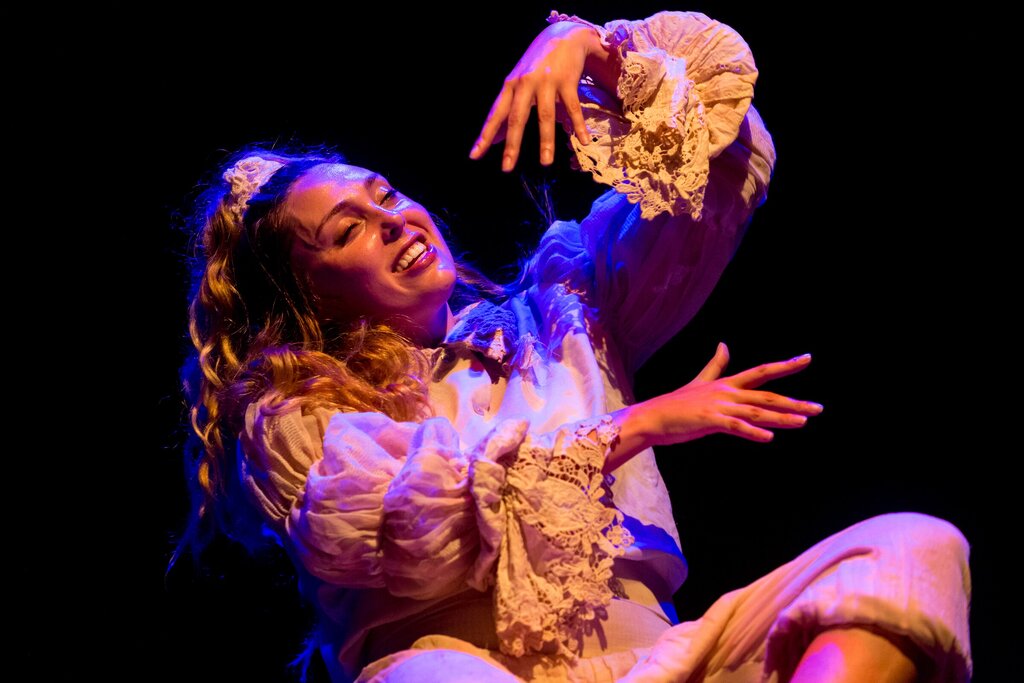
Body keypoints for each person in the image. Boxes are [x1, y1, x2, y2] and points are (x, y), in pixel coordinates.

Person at [178, 9, 972, 683]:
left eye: (384, 194)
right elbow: (415, 522)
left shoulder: (563, 310)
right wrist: (636, 425)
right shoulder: (296, 413)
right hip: (460, 667)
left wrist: (589, 47)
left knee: (912, 549)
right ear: (308, 295)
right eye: (348, 229)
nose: (392, 220)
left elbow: (726, 171)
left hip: (654, 661)